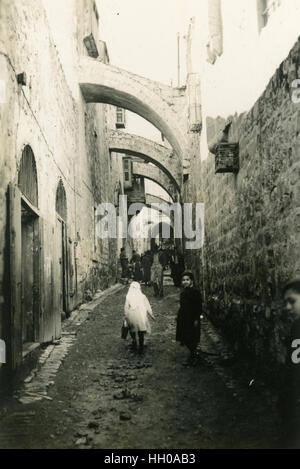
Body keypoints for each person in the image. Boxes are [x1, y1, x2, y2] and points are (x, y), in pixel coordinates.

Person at [278, 278, 300, 448]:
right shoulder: (296, 327)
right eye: (285, 302)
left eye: (292, 301)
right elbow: (293, 364)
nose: (287, 308)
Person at [176, 270, 202, 366]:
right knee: (185, 337)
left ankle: (193, 356)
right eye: (183, 280)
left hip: (192, 319)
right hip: (184, 319)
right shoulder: (183, 293)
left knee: (192, 338)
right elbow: (182, 306)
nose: (185, 282)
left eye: (187, 280)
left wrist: (196, 319)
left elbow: (199, 307)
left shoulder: (195, 292)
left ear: (191, 281)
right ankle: (193, 354)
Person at [124, 282, 155, 354]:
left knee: (132, 329)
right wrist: (151, 315)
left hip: (131, 316)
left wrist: (126, 316)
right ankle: (141, 343)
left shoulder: (128, 296)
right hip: (141, 316)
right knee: (141, 331)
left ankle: (134, 340)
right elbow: (147, 306)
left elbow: (126, 307)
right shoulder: (142, 296)